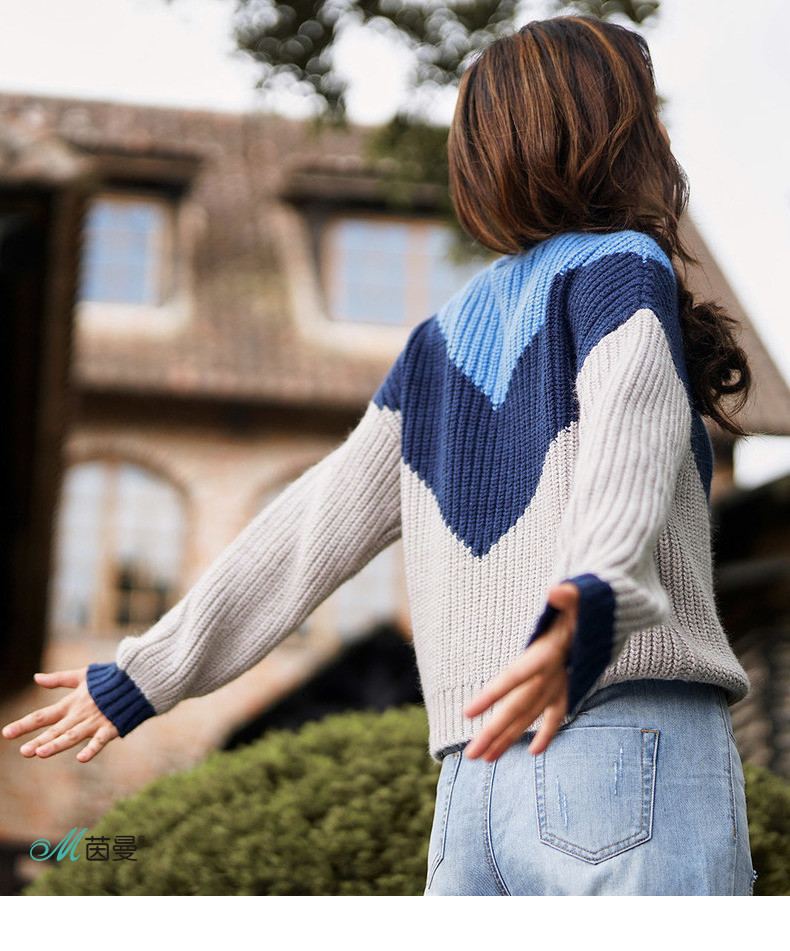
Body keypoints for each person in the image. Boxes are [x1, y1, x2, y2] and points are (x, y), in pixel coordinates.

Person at [2, 15, 759, 896]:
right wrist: (592, 598)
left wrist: (143, 674)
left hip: (472, 793)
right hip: (621, 745)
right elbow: (630, 438)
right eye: (649, 110)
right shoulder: (620, 269)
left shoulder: (439, 338)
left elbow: (304, 527)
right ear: (617, 134)